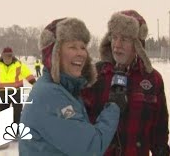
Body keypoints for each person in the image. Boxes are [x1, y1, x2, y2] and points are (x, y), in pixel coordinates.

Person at [19, 17, 126, 156]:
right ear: (54, 54)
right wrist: (114, 106)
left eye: (83, 47)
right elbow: (91, 147)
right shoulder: (50, 95)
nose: (81, 53)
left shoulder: (66, 89)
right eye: (72, 47)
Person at [82, 10, 170, 156]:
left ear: (138, 44)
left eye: (124, 39)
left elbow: (159, 133)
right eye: (114, 37)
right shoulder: (95, 74)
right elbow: (79, 126)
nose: (117, 45)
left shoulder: (153, 80)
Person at [0, 47, 36, 149]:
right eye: (6, 56)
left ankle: (16, 131)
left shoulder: (19, 64)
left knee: (17, 111)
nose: (8, 58)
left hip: (17, 92)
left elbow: (28, 75)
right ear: (2, 56)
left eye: (10, 56)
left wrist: (35, 84)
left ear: (12, 56)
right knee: (3, 113)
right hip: (2, 92)